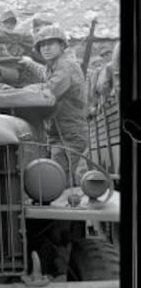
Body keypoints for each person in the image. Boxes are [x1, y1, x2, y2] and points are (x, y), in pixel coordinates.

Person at [20, 25, 88, 186]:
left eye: (50, 44)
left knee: (57, 181)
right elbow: (45, 73)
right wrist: (30, 64)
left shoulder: (64, 65)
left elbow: (51, 90)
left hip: (69, 134)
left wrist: (24, 91)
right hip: (61, 132)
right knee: (62, 178)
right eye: (42, 45)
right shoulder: (56, 65)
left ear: (62, 45)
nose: (46, 48)